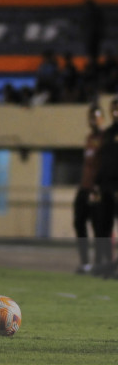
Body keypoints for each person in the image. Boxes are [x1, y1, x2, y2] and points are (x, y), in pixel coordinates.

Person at [73, 104, 103, 274]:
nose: (94, 120)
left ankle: (99, 263)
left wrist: (97, 187)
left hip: (96, 190)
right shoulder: (89, 138)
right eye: (91, 117)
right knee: (79, 222)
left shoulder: (106, 139)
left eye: (97, 116)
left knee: (99, 227)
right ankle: (85, 262)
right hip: (84, 188)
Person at [93, 97, 118, 277]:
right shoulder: (108, 133)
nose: (116, 113)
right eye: (114, 110)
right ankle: (107, 265)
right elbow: (102, 161)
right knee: (103, 227)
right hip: (106, 186)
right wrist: (97, 184)